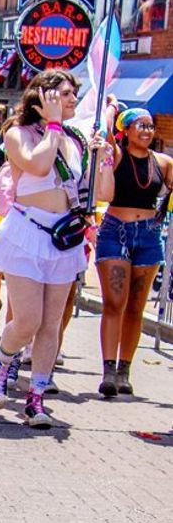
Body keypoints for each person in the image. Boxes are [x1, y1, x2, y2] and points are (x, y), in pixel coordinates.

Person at [0, 71, 106, 428]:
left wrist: (101, 159)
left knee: (52, 323)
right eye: (65, 94)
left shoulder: (76, 138)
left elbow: (97, 192)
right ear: (43, 96)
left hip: (64, 237)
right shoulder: (17, 133)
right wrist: (52, 125)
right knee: (28, 320)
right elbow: (37, 165)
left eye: (73, 94)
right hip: (27, 232)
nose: (72, 100)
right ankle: (2, 358)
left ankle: (36, 396)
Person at [95, 107, 173, 397]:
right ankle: (108, 370)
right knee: (114, 302)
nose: (147, 131)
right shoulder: (116, 155)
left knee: (136, 306)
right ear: (126, 130)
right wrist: (110, 108)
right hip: (115, 232)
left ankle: (124, 371)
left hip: (149, 236)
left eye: (150, 126)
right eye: (140, 125)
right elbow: (104, 131)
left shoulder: (163, 162)